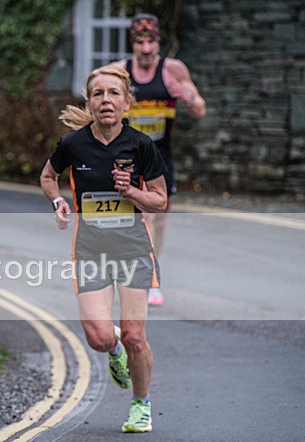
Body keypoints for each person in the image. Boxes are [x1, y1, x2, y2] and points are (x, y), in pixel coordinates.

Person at [39, 65, 167, 433]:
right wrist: (57, 202)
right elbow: (48, 176)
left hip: (133, 250)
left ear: (127, 103)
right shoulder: (73, 144)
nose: (106, 100)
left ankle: (140, 405)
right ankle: (114, 355)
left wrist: (132, 193)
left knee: (134, 335)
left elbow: (159, 201)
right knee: (99, 337)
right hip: (91, 251)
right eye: (98, 94)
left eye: (114, 93)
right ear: (90, 102)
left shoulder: (142, 146)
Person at [110, 13, 206, 306]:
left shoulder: (173, 70)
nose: (147, 48)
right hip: (128, 156)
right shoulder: (118, 71)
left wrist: (186, 97)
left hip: (160, 157)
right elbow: (95, 102)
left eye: (151, 41)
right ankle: (149, 281)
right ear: (133, 44)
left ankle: (142, 270)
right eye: (140, 42)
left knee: (159, 220)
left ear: (158, 41)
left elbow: (199, 109)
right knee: (144, 218)